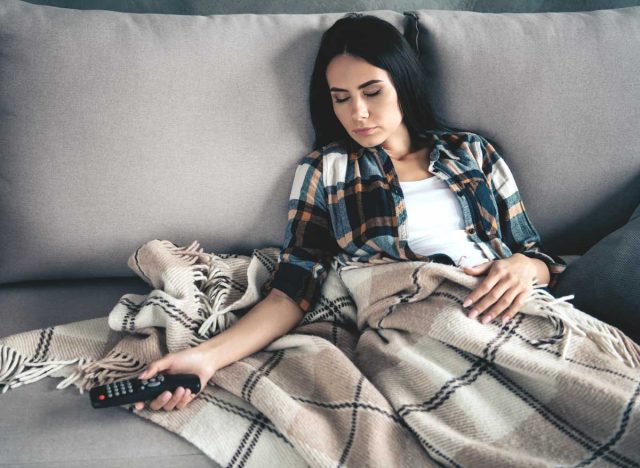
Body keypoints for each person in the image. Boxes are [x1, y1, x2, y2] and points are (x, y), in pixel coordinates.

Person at [133, 13, 566, 412]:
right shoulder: (326, 168)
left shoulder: (472, 152)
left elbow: (540, 259)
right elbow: (292, 289)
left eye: (372, 92)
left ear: (404, 83)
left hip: (508, 308)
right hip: (412, 321)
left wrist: (523, 268)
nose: (356, 113)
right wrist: (204, 358)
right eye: (340, 98)